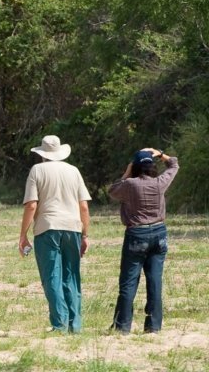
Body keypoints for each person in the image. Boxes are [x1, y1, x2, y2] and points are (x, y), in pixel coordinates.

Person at [18, 135, 91, 333]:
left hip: (47, 227)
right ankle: (75, 325)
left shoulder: (37, 170)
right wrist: (85, 235)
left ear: (42, 154)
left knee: (52, 276)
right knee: (71, 276)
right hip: (73, 227)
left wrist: (23, 235)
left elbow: (31, 205)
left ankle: (59, 324)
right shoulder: (73, 171)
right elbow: (83, 206)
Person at [108, 148, 179, 335]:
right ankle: (153, 326)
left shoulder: (129, 184)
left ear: (135, 167)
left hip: (136, 234)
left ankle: (122, 326)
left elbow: (112, 191)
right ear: (151, 167)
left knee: (129, 281)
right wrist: (161, 153)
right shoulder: (159, 183)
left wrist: (126, 172)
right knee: (155, 280)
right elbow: (174, 165)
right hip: (159, 233)